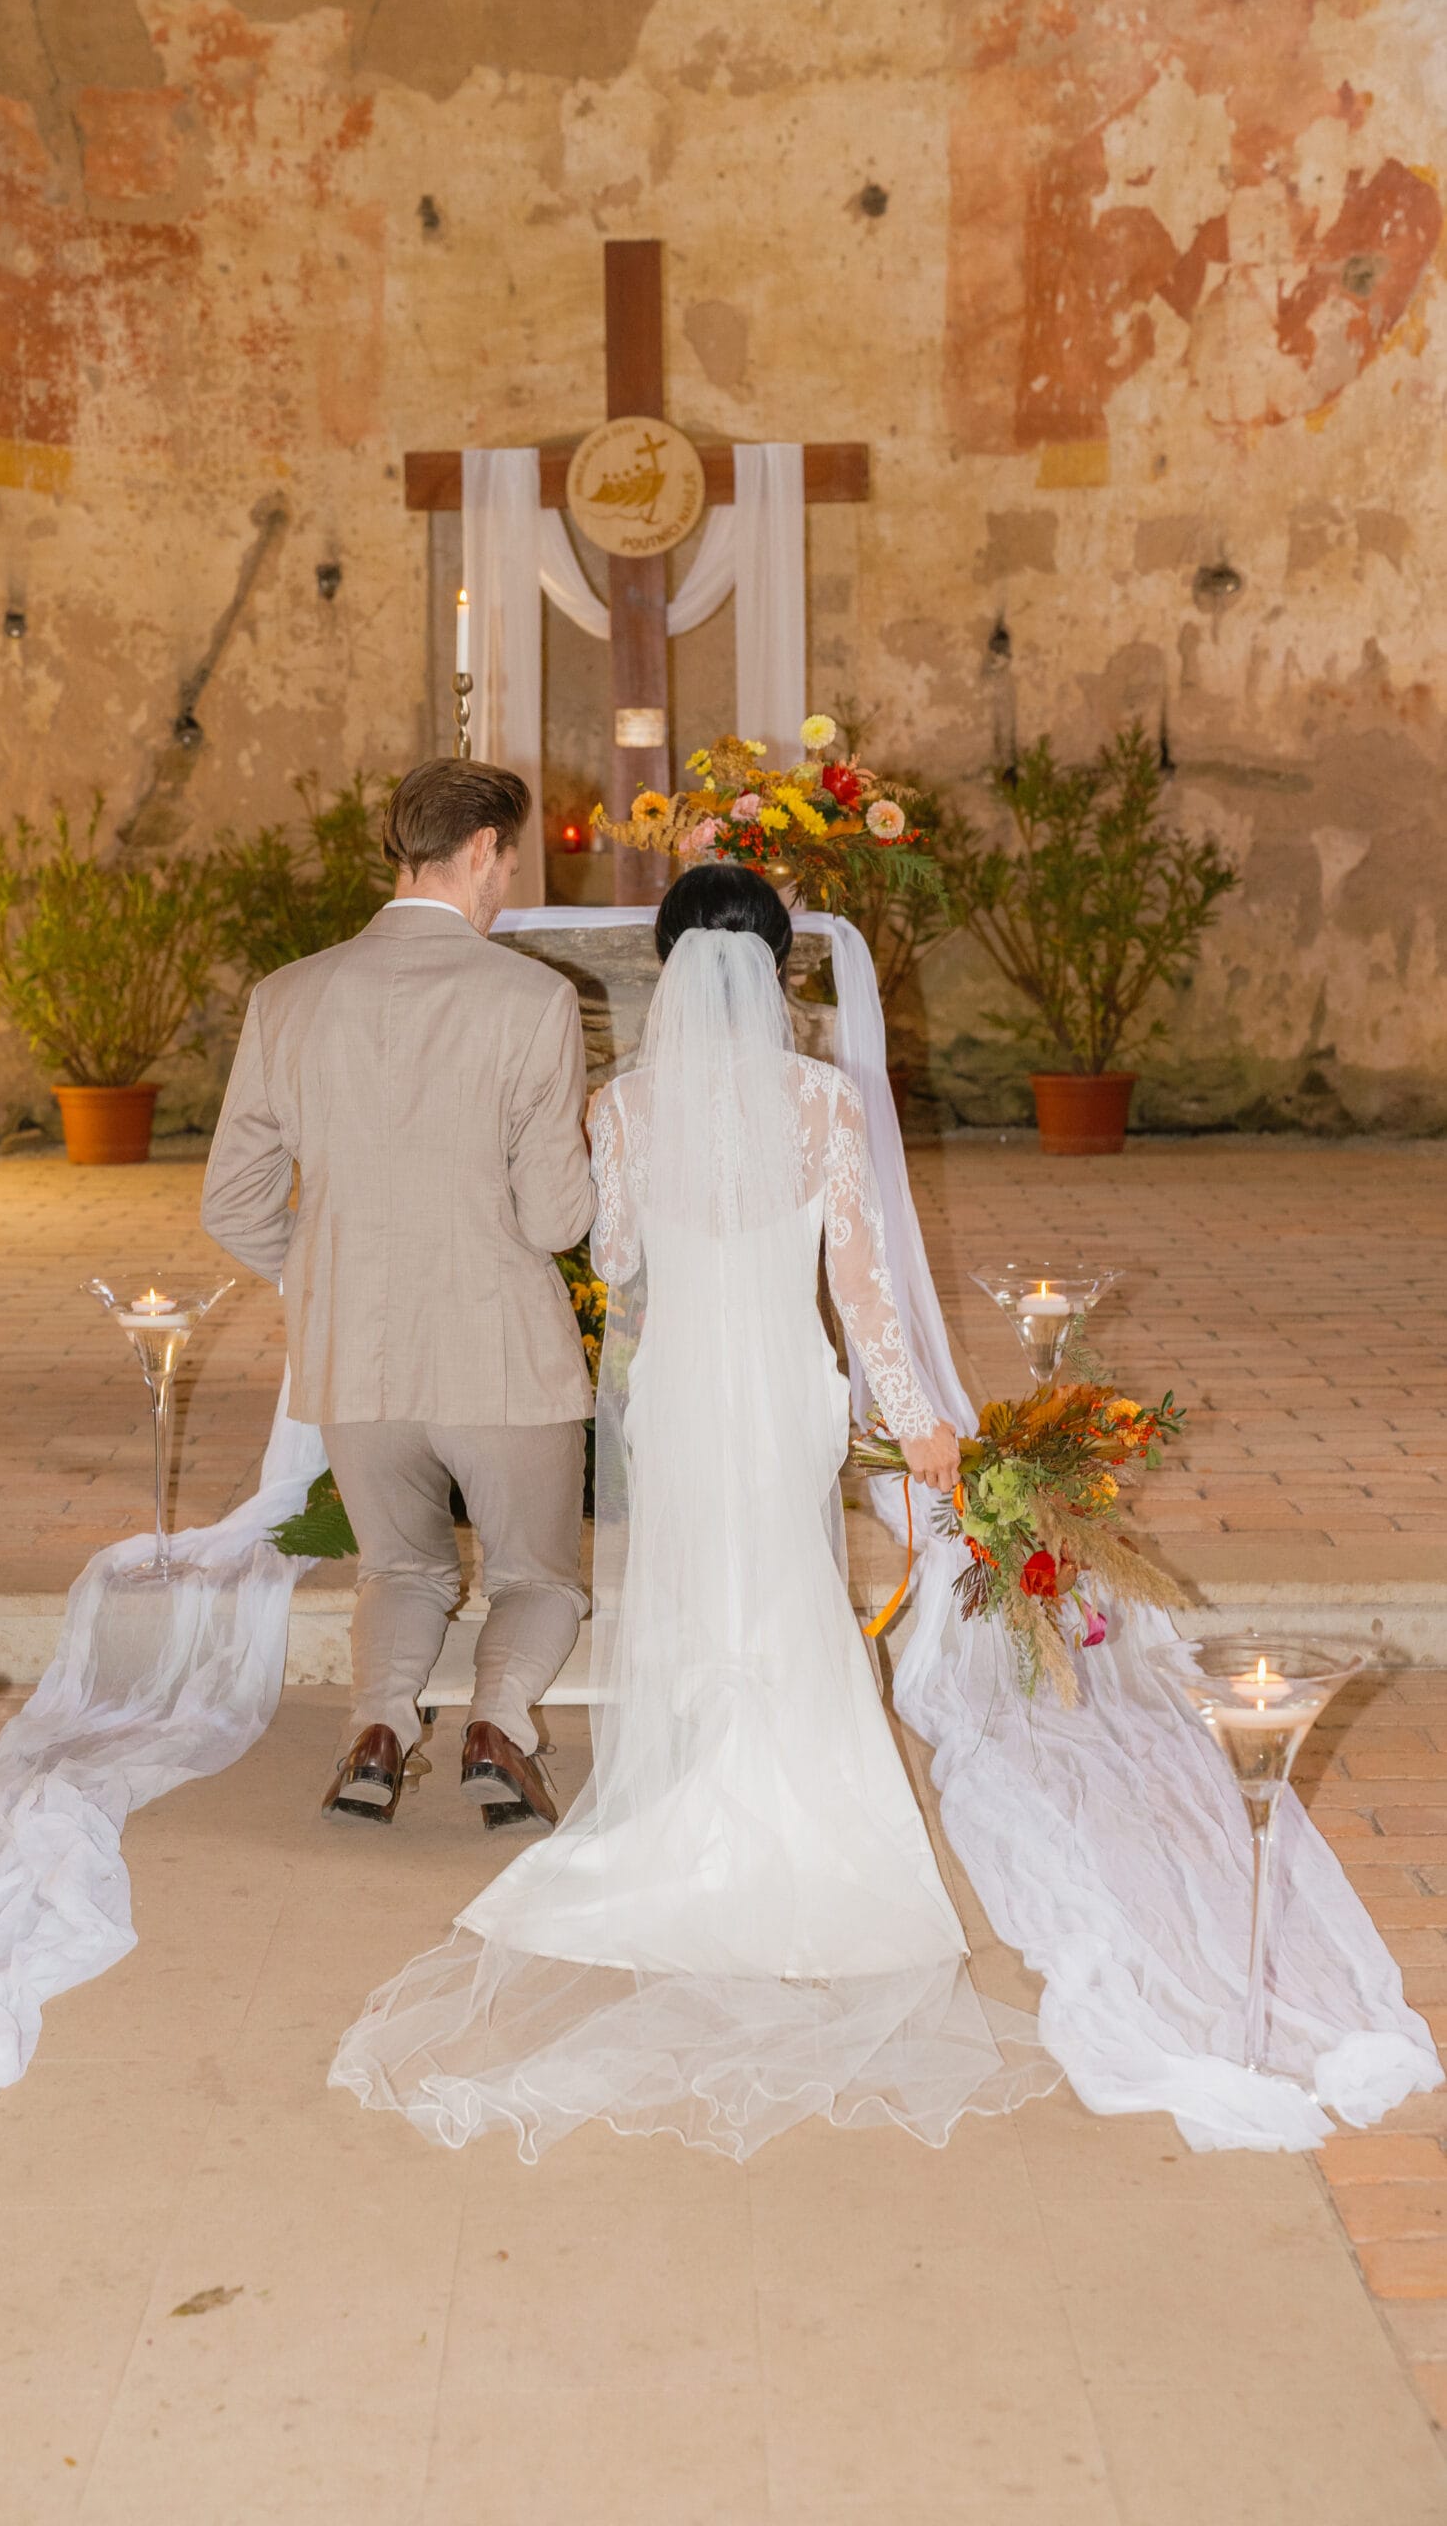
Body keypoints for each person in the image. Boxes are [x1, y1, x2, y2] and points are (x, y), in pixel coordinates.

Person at [329, 866, 1059, 2159]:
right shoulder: (823, 1102)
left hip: (676, 1389)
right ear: (775, 970)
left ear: (668, 973)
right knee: (780, 1574)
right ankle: (786, 1801)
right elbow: (862, 1293)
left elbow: (613, 1261)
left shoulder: (623, 1107)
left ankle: (685, 1796)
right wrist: (920, 1424)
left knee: (689, 1579)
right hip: (781, 1386)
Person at [201, 758, 596, 1830]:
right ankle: (496, 1725)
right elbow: (557, 1221)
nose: (507, 882)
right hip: (500, 1354)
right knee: (537, 1579)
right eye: (508, 860)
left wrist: (324, 1274)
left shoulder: (288, 997)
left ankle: (376, 1730)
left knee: (400, 1570)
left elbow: (232, 1201)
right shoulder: (533, 999)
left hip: (356, 1359)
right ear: (481, 849)